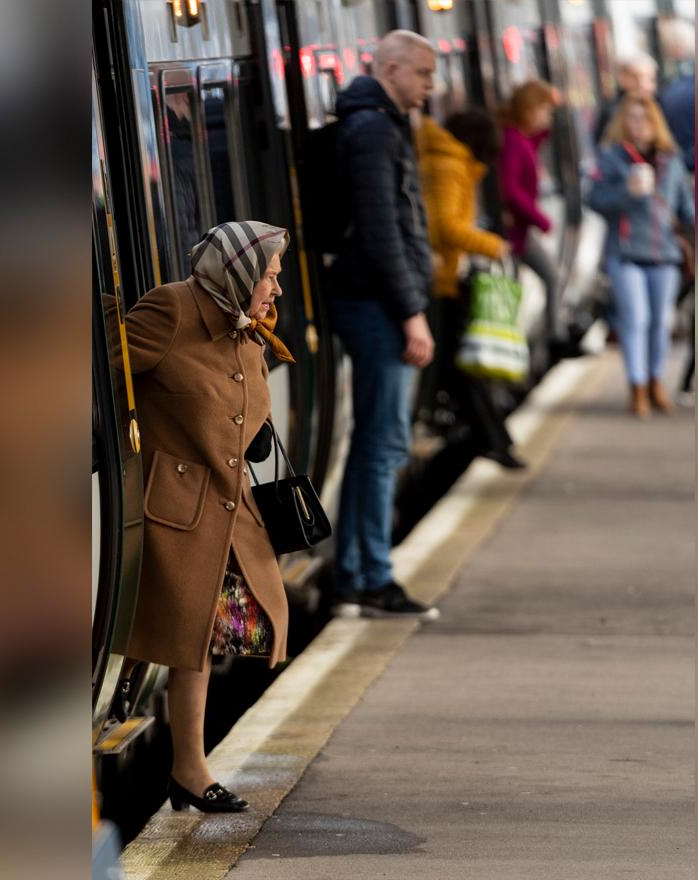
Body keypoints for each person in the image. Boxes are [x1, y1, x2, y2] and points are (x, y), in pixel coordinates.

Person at [123, 220, 295, 812]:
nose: (275, 291)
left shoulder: (246, 332)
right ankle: (186, 768)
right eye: (271, 277)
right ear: (241, 272)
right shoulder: (171, 310)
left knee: (201, 636)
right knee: (177, 634)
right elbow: (98, 365)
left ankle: (189, 770)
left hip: (228, 510)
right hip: (172, 511)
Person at [326, 30, 439, 620]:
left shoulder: (377, 124)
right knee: (382, 443)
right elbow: (380, 232)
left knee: (379, 441)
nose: (431, 87)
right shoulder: (372, 131)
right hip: (375, 306)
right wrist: (411, 313)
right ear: (392, 67)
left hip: (376, 303)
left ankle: (360, 570)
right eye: (423, 74)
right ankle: (370, 574)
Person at [418, 107, 525, 470]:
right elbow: (445, 226)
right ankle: (493, 440)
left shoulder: (451, 161)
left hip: (446, 279)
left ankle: (494, 439)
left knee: (463, 366)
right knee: (465, 366)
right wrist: (491, 245)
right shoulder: (450, 166)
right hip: (441, 282)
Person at [587, 95, 695, 418]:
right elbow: (594, 199)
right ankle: (637, 387)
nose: (639, 125)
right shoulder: (612, 158)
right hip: (625, 253)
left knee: (660, 323)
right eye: (632, 119)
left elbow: (684, 207)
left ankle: (655, 381)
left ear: (655, 122)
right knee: (636, 320)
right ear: (623, 122)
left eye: (645, 119)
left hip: (664, 254)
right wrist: (626, 193)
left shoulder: (670, 160)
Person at [498, 79, 567, 353]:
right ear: (531, 108)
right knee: (546, 277)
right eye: (545, 110)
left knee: (547, 277)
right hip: (516, 233)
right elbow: (511, 189)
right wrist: (541, 219)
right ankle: (553, 337)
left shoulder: (520, 138)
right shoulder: (514, 142)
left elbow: (534, 144)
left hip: (520, 232)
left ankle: (552, 335)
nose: (548, 116)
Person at [592, 53, 659, 147]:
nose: (643, 84)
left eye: (649, 79)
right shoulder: (613, 111)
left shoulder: (659, 104)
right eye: (636, 77)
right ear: (623, 78)